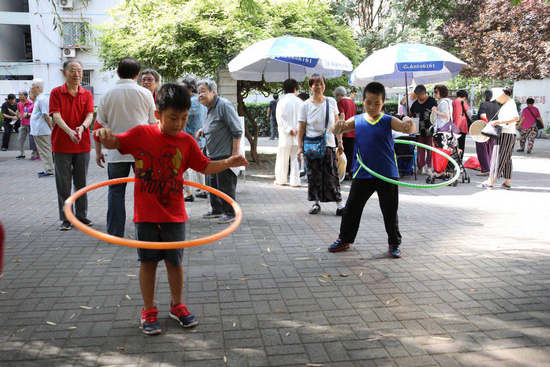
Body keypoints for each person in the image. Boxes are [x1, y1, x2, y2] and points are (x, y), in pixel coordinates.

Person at [93, 83, 248, 335]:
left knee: (175, 262)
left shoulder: (186, 141)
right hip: (145, 215)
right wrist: (105, 136)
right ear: (158, 115)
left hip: (174, 215)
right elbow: (116, 143)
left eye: (184, 118)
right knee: (148, 262)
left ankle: (177, 305)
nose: (179, 124)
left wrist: (229, 162)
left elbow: (205, 167)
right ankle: (148, 309)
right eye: (173, 118)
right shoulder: (141, 134)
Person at [328, 82, 415, 257]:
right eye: (369, 102)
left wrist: (407, 122)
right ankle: (345, 239)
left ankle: (394, 243)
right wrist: (337, 127)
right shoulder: (358, 120)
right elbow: (337, 128)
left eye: (377, 103)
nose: (372, 106)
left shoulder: (388, 120)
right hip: (363, 173)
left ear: (383, 102)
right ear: (363, 101)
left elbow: (408, 128)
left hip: (387, 174)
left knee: (390, 211)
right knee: (351, 209)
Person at [94, 57, 157, 237]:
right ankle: (145, 232)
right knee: (145, 192)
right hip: (142, 153)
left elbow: (99, 127)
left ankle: (115, 232)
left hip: (115, 152)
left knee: (115, 192)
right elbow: (153, 123)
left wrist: (98, 152)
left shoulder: (107, 95)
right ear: (137, 75)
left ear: (117, 72)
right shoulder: (145, 94)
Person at [49, 60, 94, 231]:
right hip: (61, 146)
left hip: (82, 145)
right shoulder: (56, 93)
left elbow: (90, 114)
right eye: (72, 71)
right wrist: (69, 132)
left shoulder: (86, 94)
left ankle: (81, 216)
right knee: (63, 184)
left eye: (79, 71)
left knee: (81, 183)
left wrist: (82, 128)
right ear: (64, 72)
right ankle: (67, 218)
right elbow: (56, 116)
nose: (76, 74)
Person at [196, 79, 243, 224]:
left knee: (225, 186)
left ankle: (230, 213)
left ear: (213, 92)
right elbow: (216, 125)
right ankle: (217, 210)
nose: (200, 95)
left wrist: (234, 155)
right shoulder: (209, 107)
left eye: (203, 91)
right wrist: (203, 131)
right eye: (198, 92)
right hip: (211, 154)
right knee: (212, 185)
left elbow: (237, 130)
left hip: (225, 154)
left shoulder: (223, 105)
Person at [297, 74, 344, 216]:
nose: (318, 86)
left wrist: (340, 142)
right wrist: (300, 148)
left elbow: (337, 125)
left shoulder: (331, 102)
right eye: (315, 84)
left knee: (332, 174)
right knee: (313, 175)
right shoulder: (305, 105)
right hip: (311, 144)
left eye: (321, 83)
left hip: (328, 143)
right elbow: (301, 129)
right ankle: (315, 203)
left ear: (324, 85)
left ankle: (340, 204)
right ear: (310, 86)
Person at [482, 88, 519, 190]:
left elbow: (516, 118)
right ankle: (507, 182)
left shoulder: (510, 103)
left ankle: (491, 181)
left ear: (502, 95)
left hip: (506, 133)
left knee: (498, 157)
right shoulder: (509, 103)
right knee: (506, 158)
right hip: (508, 133)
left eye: (497, 98)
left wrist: (498, 122)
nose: (497, 100)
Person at [182, 77, 208, 201]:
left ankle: (188, 193)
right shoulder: (200, 101)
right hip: (199, 139)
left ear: (190, 89)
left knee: (183, 167)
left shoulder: (191, 102)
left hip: (189, 139)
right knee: (199, 165)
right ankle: (203, 189)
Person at [274, 78, 303, 187]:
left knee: (282, 157)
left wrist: (289, 129)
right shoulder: (300, 102)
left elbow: (280, 119)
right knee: (295, 158)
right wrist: (296, 129)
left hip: (285, 135)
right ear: (296, 89)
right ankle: (295, 181)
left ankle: (281, 179)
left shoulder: (281, 102)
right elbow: (302, 119)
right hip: (297, 134)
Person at [409, 85, 437, 175]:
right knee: (420, 149)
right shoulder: (415, 103)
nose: (418, 97)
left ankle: (429, 167)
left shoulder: (432, 101)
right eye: (416, 96)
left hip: (429, 129)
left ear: (424, 93)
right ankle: (420, 167)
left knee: (429, 149)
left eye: (419, 95)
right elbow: (411, 113)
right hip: (418, 130)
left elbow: (436, 113)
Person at [29, 79, 54, 177]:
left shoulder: (42, 99)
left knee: (45, 150)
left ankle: (49, 170)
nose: (31, 88)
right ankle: (47, 169)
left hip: (42, 130)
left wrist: (51, 127)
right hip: (38, 130)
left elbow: (46, 115)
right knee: (43, 151)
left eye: (32, 86)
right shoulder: (39, 99)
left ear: (38, 88)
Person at [334, 86, 357, 180]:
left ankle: (343, 172)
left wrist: (340, 129)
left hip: (344, 132)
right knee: (350, 153)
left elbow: (342, 116)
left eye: (336, 96)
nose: (336, 97)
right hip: (353, 131)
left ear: (339, 95)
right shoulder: (352, 102)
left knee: (341, 153)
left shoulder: (340, 102)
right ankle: (349, 171)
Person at [476, 90, 499, 176]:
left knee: (482, 149)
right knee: (490, 149)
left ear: (485, 96)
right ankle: (490, 167)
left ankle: (485, 169)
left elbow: (483, 116)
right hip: (494, 130)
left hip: (484, 129)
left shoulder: (484, 104)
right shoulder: (497, 105)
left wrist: (487, 126)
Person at [452, 89, 471, 158]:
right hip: (462, 126)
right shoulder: (462, 102)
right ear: (465, 96)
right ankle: (460, 160)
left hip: (454, 126)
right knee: (461, 144)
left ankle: (454, 160)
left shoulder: (453, 102)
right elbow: (469, 113)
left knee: (454, 144)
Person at [16, 90, 34, 159]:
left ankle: (34, 154)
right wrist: (18, 115)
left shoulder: (30, 103)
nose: (20, 96)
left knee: (31, 140)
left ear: (26, 96)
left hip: (30, 124)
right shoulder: (19, 104)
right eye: (19, 95)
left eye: (21, 95)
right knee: (20, 139)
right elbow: (19, 111)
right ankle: (22, 153)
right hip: (22, 124)